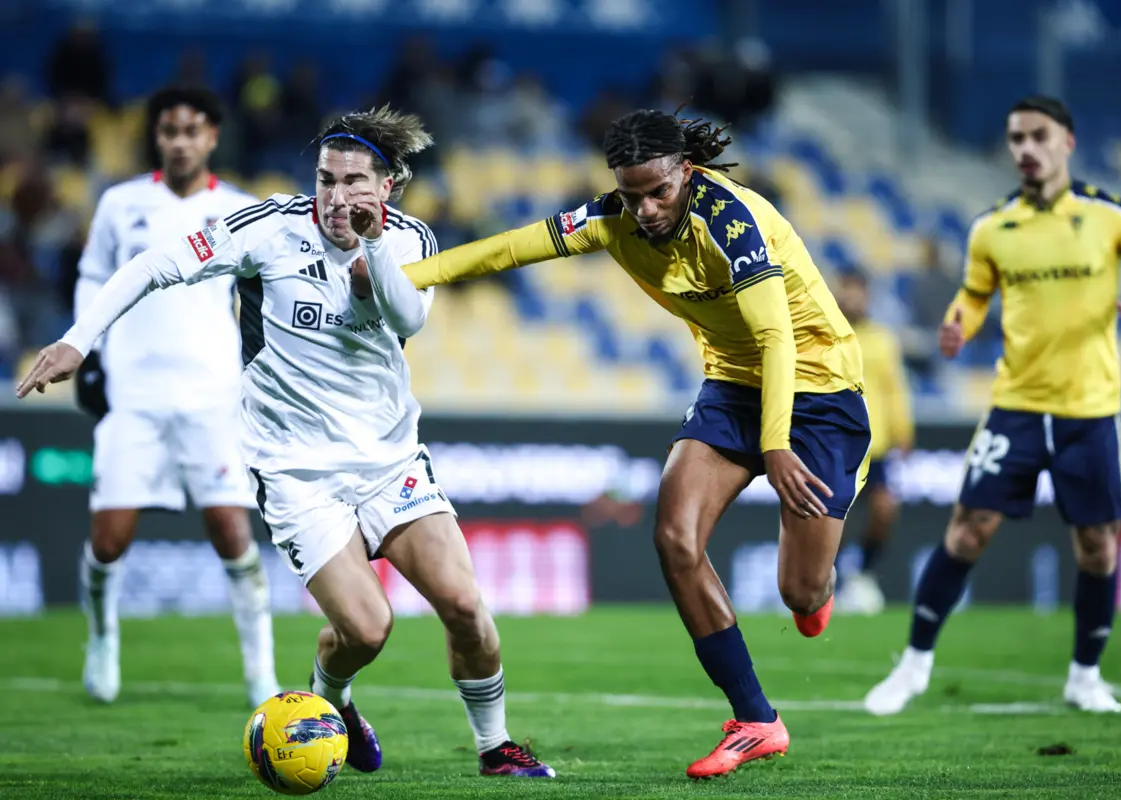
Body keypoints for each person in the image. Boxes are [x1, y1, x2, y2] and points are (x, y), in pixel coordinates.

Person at [16, 107, 554, 779]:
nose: (336, 197)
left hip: (389, 462)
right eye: (326, 180)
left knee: (466, 607)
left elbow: (408, 315)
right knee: (367, 629)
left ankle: (494, 748)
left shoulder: (410, 238)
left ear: (386, 186)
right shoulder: (269, 229)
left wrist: (372, 248)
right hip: (298, 474)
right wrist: (78, 340)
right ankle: (336, 699)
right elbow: (154, 265)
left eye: (354, 182)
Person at [400, 109, 871, 779]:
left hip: (819, 390)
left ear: (687, 172)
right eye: (631, 194)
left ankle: (815, 592)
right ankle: (757, 720)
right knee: (675, 538)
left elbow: (777, 339)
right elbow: (507, 249)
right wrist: (404, 279)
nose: (645, 210)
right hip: (733, 385)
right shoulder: (611, 219)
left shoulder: (731, 221)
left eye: (658, 192)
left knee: (799, 591)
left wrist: (776, 446)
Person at [864, 96, 1121, 716]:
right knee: (968, 529)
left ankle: (1085, 677)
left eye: (1039, 136)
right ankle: (912, 667)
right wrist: (958, 325)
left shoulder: (1110, 216)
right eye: (1017, 138)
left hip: (1090, 411)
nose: (1026, 148)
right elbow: (973, 295)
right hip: (1015, 406)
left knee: (1098, 545)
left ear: (1067, 141)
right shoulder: (992, 228)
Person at [72, 86, 278, 707]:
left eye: (192, 131)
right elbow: (92, 277)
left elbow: (259, 301)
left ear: (212, 136)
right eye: (169, 131)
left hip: (212, 397)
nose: (180, 142)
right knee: (108, 541)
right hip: (133, 395)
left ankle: (260, 672)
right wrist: (89, 353)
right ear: (157, 137)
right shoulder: (121, 203)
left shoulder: (240, 210)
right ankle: (102, 638)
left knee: (232, 534)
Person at [835, 267, 913, 614]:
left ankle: (864, 574)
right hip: (837, 444)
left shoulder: (883, 339)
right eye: (847, 290)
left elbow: (894, 388)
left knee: (884, 510)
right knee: (833, 519)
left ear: (867, 295)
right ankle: (828, 579)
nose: (852, 297)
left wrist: (903, 431)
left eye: (858, 291)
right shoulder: (825, 332)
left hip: (876, 446)